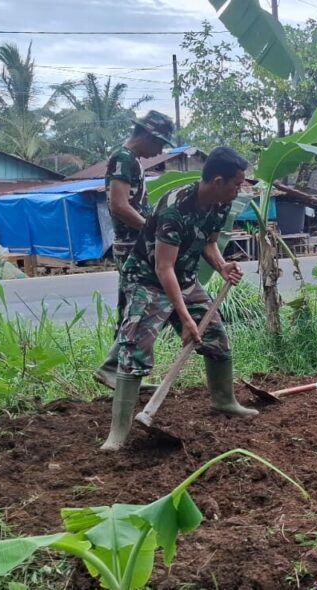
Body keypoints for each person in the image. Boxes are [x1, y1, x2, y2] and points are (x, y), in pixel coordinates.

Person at [101, 147, 256, 451]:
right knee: (135, 348)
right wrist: (186, 319)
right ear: (218, 181)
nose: (239, 190)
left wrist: (222, 266)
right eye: (237, 184)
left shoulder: (221, 203)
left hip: (183, 277)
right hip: (147, 279)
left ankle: (224, 401)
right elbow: (163, 268)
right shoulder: (175, 209)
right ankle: (118, 432)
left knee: (215, 337)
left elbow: (209, 242)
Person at [95, 110, 176, 393]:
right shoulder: (123, 159)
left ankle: (123, 373)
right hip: (132, 245)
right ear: (147, 135)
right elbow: (119, 205)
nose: (161, 151)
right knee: (146, 305)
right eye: (160, 143)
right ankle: (113, 368)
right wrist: (151, 230)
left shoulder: (131, 160)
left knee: (134, 307)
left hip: (136, 243)